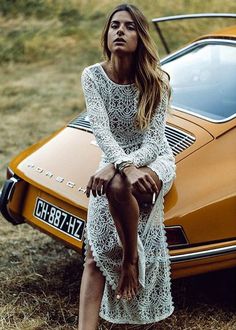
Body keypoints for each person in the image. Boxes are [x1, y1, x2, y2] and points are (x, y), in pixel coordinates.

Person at [78, 3, 176, 329]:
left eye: (130, 26)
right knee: (94, 254)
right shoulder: (92, 76)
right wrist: (117, 165)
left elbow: (153, 141)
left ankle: (131, 261)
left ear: (141, 37)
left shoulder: (156, 81)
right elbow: (102, 131)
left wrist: (124, 167)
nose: (120, 31)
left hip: (154, 159)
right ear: (106, 35)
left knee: (120, 184)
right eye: (114, 25)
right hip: (115, 157)